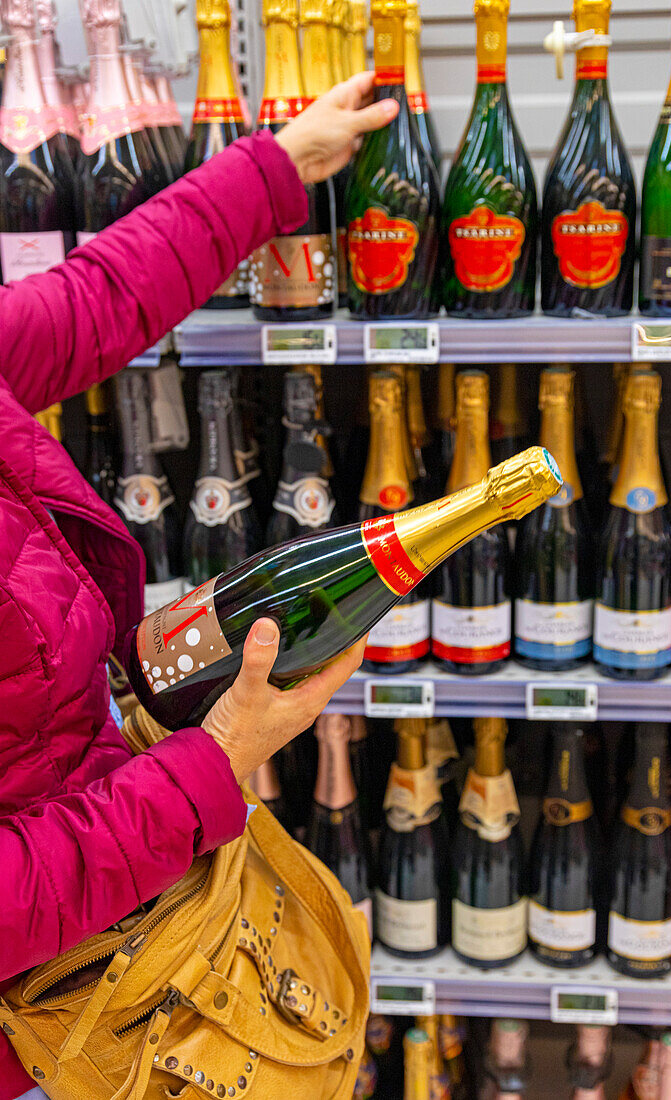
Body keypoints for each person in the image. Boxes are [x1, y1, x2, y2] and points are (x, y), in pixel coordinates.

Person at [0, 72, 399, 1100]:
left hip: (125, 935)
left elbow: (96, 298)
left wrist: (277, 165)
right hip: (44, 1030)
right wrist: (209, 764)